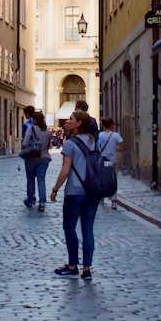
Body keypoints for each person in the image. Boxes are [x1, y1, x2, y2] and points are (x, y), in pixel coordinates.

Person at [50, 110, 101, 280]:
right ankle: (86, 268)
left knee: (70, 227)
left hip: (75, 192)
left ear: (79, 123)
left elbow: (65, 170)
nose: (68, 121)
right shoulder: (94, 142)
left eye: (71, 119)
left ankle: (72, 265)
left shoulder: (70, 144)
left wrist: (56, 188)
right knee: (88, 229)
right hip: (93, 191)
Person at [23, 111, 50, 212]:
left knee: (30, 179)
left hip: (32, 158)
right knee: (41, 180)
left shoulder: (31, 128)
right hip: (45, 157)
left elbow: (25, 142)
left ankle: (30, 200)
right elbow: (49, 145)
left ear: (34, 120)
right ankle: (42, 203)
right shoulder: (47, 130)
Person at [96, 118, 124, 208]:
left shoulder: (100, 135)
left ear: (103, 125)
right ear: (112, 125)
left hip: (103, 161)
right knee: (113, 180)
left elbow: (97, 148)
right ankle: (114, 201)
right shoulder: (116, 135)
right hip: (113, 161)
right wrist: (115, 150)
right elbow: (121, 146)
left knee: (102, 180)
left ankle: (101, 199)